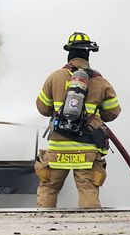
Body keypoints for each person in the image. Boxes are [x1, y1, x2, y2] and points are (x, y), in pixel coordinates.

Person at [34, 32, 121, 209]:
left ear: (69, 54)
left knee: (49, 188)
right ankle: (90, 231)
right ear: (88, 55)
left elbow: (43, 109)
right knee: (88, 189)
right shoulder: (100, 82)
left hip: (58, 149)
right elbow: (112, 113)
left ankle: (42, 228)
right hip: (87, 150)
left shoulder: (55, 77)